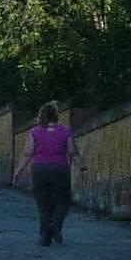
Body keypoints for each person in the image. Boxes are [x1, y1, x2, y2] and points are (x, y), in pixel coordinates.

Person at [14, 101, 84, 246]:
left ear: (41, 115)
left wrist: (18, 171)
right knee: (63, 202)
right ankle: (54, 225)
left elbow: (28, 153)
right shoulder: (66, 131)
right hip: (60, 169)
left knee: (44, 205)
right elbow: (73, 152)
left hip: (39, 169)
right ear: (56, 115)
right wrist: (83, 168)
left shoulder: (35, 132)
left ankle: (45, 236)